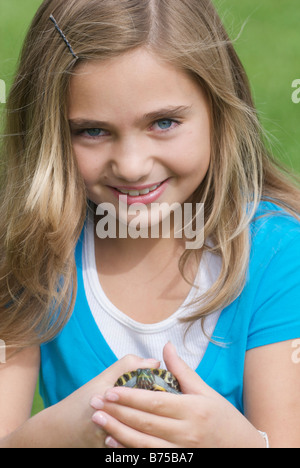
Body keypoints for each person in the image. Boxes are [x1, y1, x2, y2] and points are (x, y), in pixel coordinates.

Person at [0, 0, 300, 448]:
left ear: (220, 111)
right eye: (92, 131)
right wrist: (69, 430)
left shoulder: (276, 254)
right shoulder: (30, 255)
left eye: (163, 122)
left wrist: (231, 440)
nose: (133, 166)